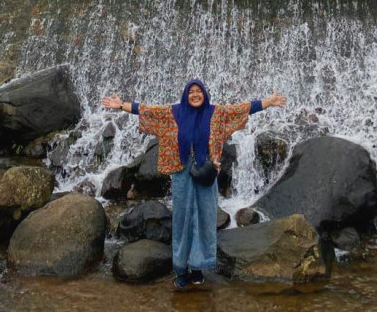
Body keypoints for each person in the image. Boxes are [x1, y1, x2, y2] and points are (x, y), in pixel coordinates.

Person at [102, 79, 285, 289]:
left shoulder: (216, 113)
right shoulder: (174, 113)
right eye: (191, 91)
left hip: (206, 173)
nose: (195, 94)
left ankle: (197, 267)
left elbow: (242, 109)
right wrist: (122, 105)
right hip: (182, 173)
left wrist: (268, 102)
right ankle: (180, 270)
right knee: (182, 220)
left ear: (205, 94)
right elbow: (147, 111)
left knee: (205, 219)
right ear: (185, 95)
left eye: (199, 91)